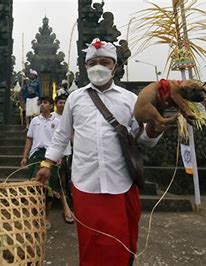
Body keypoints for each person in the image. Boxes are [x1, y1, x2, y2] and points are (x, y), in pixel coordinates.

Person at [35, 38, 173, 265]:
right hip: (86, 182)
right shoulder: (75, 99)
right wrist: (47, 164)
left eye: (105, 62)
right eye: (93, 62)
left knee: (121, 245)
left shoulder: (131, 100)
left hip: (121, 182)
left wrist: (155, 127)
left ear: (115, 67)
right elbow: (61, 135)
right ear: (86, 66)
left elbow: (145, 140)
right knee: (91, 245)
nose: (99, 67)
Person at [20, 96, 60, 230]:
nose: (42, 105)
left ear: (51, 106)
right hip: (36, 155)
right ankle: (34, 216)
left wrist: (59, 155)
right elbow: (29, 139)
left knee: (48, 188)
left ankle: (46, 216)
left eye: (45, 102)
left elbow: (60, 140)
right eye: (40, 103)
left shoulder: (57, 121)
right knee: (33, 185)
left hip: (50, 155)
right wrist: (25, 156)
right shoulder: (35, 121)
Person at [52, 95, 74, 224]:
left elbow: (72, 135)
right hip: (56, 155)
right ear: (55, 104)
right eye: (60, 102)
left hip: (67, 153)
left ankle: (68, 206)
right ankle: (65, 208)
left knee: (66, 181)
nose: (62, 105)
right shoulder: (52, 117)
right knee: (59, 181)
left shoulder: (70, 117)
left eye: (64, 102)